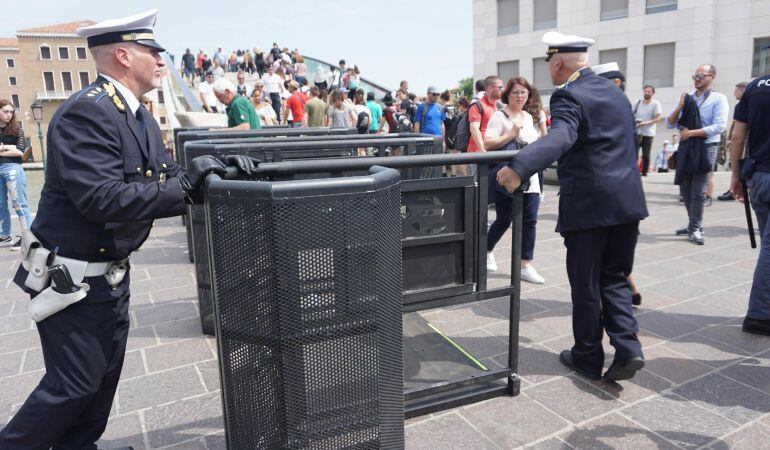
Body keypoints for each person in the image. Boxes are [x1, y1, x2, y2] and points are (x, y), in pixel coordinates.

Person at [0, 10, 257, 448]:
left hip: (108, 274)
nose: (161, 61)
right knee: (73, 386)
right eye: (152, 51)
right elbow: (102, 199)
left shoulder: (135, 114)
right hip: (73, 279)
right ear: (123, 55)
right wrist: (185, 186)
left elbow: (165, 172)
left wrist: (213, 170)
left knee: (100, 381)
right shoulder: (88, 113)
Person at [496, 31, 648, 382]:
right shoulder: (616, 92)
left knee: (586, 284)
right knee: (614, 277)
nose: (550, 71)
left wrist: (518, 167)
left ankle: (587, 356)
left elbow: (562, 136)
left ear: (558, 62)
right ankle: (628, 348)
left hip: (590, 206)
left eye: (550, 64)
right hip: (627, 201)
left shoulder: (569, 95)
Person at [483, 77, 544, 284]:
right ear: (507, 94)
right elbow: (488, 144)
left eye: (524, 93)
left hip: (531, 176)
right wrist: (511, 134)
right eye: (516, 92)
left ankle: (524, 264)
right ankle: (487, 250)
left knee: (530, 221)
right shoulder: (498, 117)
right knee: (504, 219)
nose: (520, 96)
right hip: (508, 176)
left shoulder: (528, 116)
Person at [728, 59, 770, 336]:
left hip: (758, 176)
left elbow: (737, 136)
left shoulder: (755, 87)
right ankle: (760, 315)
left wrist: (735, 175)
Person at [666, 64, 728, 245]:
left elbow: (719, 126)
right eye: (695, 76)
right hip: (687, 147)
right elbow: (670, 123)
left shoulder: (719, 99)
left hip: (706, 146)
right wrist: (679, 106)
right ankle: (694, 225)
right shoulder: (688, 99)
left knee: (698, 191)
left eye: (702, 75)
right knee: (685, 189)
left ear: (712, 77)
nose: (698, 79)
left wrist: (691, 133)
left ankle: (695, 227)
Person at [0, 100, 32, 249]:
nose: (9, 115)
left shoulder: (17, 129)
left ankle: (28, 238)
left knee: (19, 203)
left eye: (11, 112)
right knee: (0, 204)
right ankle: (5, 236)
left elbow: (20, 151)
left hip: (12, 167)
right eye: (5, 111)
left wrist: (4, 147)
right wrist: (9, 148)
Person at [719, 81, 749, 201]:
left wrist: (732, 140)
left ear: (743, 90)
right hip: (742, 141)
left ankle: (734, 190)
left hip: (743, 143)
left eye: (736, 90)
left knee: (737, 166)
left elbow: (739, 131)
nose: (733, 93)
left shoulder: (743, 105)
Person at [633, 86, 663, 177]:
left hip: (648, 133)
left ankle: (644, 172)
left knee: (646, 154)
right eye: (645, 91)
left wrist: (645, 123)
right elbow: (631, 114)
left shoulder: (656, 104)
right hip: (637, 131)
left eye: (649, 91)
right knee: (634, 153)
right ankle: (633, 171)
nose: (646, 93)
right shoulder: (637, 102)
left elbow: (658, 118)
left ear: (653, 93)